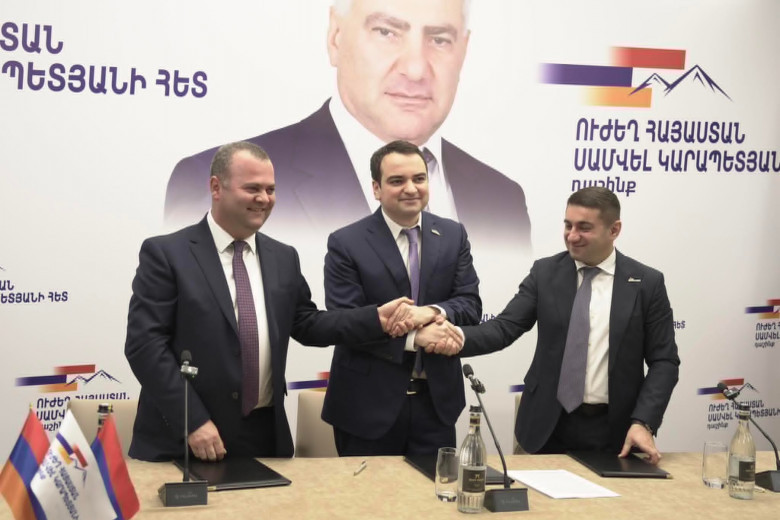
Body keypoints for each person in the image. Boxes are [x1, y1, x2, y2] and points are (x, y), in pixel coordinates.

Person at [164, 0, 530, 260]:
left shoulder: (504, 198)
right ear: (336, 38)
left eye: (439, 39)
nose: (416, 69)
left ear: (464, 51)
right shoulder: (210, 180)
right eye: (387, 32)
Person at [125, 141, 415, 462]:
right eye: (252, 188)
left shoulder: (283, 256)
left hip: (262, 435)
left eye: (270, 189)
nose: (264, 199)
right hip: (185, 439)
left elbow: (307, 323)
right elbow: (145, 346)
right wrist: (192, 421)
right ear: (216, 187)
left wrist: (375, 319)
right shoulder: (167, 254)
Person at [418, 186, 680, 463]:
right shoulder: (545, 273)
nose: (572, 236)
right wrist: (453, 336)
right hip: (547, 427)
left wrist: (644, 422)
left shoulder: (646, 283)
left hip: (616, 431)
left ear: (614, 230)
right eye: (568, 225)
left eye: (584, 228)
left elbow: (664, 361)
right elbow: (504, 328)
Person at [320, 140, 480, 456]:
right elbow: (346, 321)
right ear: (376, 189)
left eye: (419, 178)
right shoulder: (346, 242)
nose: (411, 188)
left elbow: (470, 304)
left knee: (434, 489)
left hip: (436, 406)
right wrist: (414, 338)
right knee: (368, 490)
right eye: (397, 180)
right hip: (366, 408)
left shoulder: (453, 235)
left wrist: (431, 311)